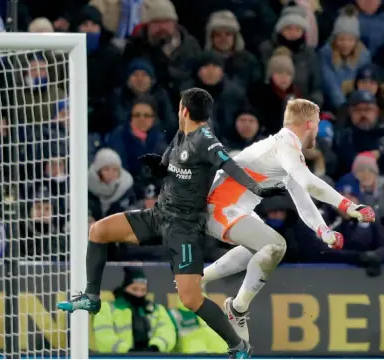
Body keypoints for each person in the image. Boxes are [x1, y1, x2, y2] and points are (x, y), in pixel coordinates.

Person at [58, 88, 287, 358]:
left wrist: (258, 189)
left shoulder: (206, 140)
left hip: (185, 228)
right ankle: (92, 297)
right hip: (158, 216)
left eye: (180, 106)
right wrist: (159, 166)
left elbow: (230, 166)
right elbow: (170, 165)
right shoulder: (182, 133)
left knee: (190, 299)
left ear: (185, 110)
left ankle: (238, 346)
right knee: (98, 231)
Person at [201, 98, 377, 343]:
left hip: (233, 208)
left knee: (260, 250)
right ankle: (237, 309)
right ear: (308, 124)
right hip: (220, 207)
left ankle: (201, 279)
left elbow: (301, 197)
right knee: (275, 245)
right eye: (316, 124)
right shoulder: (285, 146)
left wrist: (323, 230)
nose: (317, 130)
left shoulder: (283, 152)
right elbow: (308, 182)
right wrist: (347, 205)